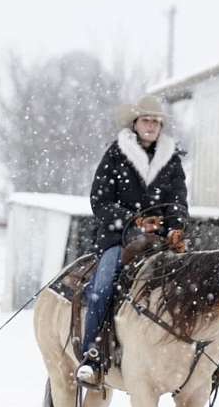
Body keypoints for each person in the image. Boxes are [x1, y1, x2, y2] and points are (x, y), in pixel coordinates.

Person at [77, 94, 189, 386]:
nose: (151, 125)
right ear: (135, 123)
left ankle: (208, 359)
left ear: (161, 126)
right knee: (102, 288)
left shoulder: (172, 159)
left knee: (195, 283)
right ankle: (92, 354)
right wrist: (133, 221)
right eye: (146, 120)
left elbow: (178, 201)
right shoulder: (115, 154)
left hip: (161, 241)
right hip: (119, 239)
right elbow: (100, 201)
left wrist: (176, 228)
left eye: (156, 121)